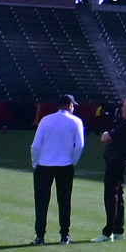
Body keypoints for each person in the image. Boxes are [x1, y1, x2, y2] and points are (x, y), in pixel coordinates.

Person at [31, 94, 85, 244]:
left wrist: (35, 163)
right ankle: (64, 235)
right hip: (65, 166)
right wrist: (73, 162)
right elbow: (79, 145)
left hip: (44, 165)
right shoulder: (76, 121)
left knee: (41, 201)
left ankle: (40, 235)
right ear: (69, 105)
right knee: (64, 200)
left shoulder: (46, 119)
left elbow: (36, 145)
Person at [98, 95, 126, 241]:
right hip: (120, 162)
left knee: (111, 196)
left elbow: (105, 137)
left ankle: (108, 231)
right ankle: (118, 230)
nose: (122, 109)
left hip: (116, 163)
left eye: (125, 107)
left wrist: (107, 135)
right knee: (118, 196)